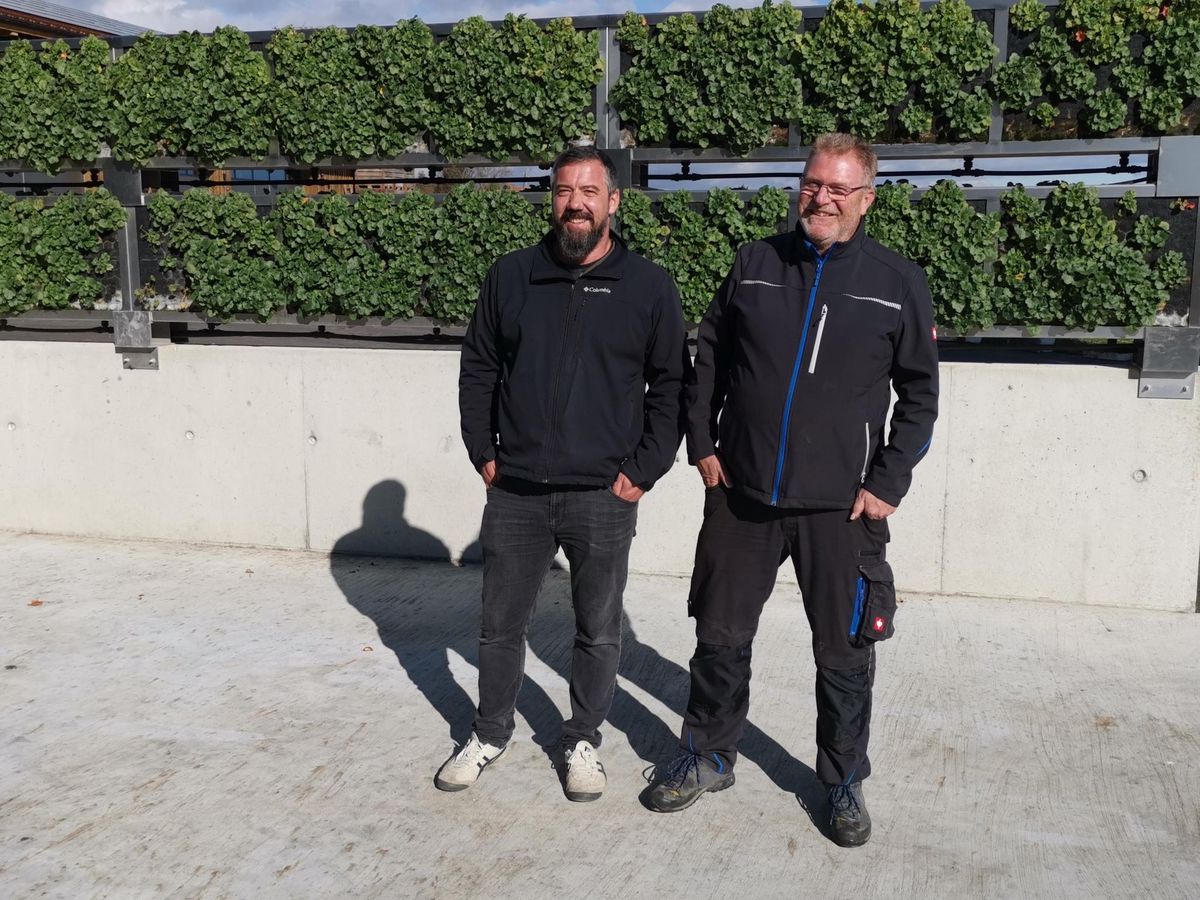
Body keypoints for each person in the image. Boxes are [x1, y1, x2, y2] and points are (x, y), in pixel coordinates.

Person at [645, 133, 939, 847]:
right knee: (718, 636)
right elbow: (706, 356)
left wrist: (887, 482)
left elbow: (921, 395)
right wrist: (704, 444)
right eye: (813, 183)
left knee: (843, 653)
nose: (823, 198)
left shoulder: (896, 282)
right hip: (742, 496)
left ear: (866, 199)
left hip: (840, 510)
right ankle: (710, 753)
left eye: (840, 188)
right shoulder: (754, 263)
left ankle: (841, 779)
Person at [439, 146, 689, 802]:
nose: (574, 202)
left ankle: (581, 738)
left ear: (613, 204)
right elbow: (479, 368)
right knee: (499, 625)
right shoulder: (512, 277)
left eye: (588, 190)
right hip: (517, 490)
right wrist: (482, 451)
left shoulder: (649, 286)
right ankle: (490, 731)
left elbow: (671, 387)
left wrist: (644, 471)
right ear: (552, 200)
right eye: (562, 190)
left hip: (602, 495)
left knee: (598, 627)